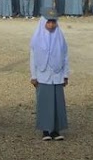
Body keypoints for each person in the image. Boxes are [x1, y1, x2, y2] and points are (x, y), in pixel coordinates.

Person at [30, 8, 69, 141]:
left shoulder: (60, 37)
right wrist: (33, 76)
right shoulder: (37, 38)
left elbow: (65, 57)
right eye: (49, 23)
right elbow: (33, 58)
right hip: (42, 74)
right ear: (43, 23)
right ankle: (46, 130)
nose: (51, 25)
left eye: (53, 22)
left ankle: (56, 130)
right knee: (45, 102)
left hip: (57, 75)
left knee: (57, 102)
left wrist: (65, 74)